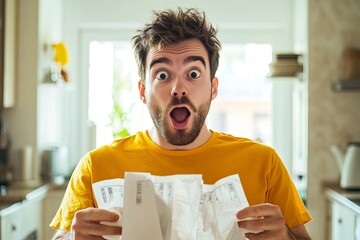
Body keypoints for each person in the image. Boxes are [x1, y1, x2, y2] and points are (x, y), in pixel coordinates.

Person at [51, 7, 312, 240]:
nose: (178, 89)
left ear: (213, 88)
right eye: (162, 74)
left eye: (194, 74)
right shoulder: (96, 167)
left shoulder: (263, 163)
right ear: (143, 91)